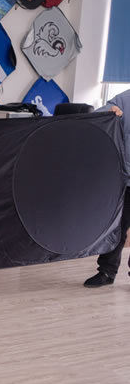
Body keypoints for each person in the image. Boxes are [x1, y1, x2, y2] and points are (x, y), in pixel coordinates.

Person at [85, 96, 129, 287]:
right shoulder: (125, 98)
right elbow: (98, 116)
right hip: (125, 178)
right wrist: (109, 112)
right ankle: (106, 272)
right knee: (116, 229)